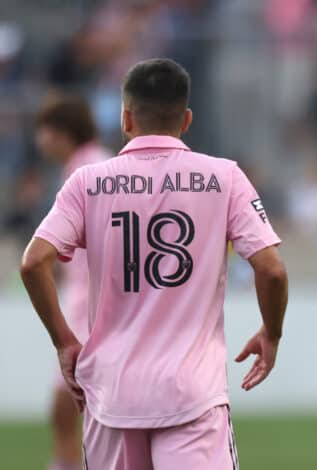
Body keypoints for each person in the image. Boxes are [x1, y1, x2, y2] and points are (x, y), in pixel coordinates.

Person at [20, 58, 288, 469]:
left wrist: (64, 342)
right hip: (191, 393)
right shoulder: (224, 177)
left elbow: (33, 262)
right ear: (187, 119)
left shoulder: (87, 181)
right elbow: (271, 268)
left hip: (110, 393)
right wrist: (271, 332)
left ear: (126, 118)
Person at [34, 95, 113, 470]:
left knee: (67, 405)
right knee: (70, 409)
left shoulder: (90, 170)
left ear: (63, 132)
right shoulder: (91, 164)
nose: (40, 139)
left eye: (45, 130)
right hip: (87, 296)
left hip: (92, 301)